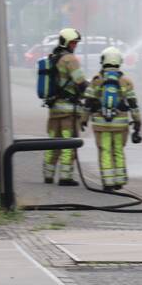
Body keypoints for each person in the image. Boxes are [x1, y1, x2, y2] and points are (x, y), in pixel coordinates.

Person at [83, 46, 142, 191]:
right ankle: (120, 180)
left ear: (103, 60)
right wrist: (138, 123)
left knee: (105, 151)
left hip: (101, 125)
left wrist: (83, 120)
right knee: (118, 150)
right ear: (119, 61)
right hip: (120, 125)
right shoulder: (126, 82)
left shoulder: (96, 80)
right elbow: (133, 104)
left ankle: (108, 182)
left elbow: (88, 102)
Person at [43, 28, 89, 185]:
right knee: (68, 143)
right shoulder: (70, 59)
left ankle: (48, 175)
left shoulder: (54, 57)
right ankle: (65, 177)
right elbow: (80, 82)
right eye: (73, 42)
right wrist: (93, 95)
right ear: (66, 42)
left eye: (76, 43)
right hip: (68, 112)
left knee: (52, 143)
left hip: (54, 109)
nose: (75, 45)